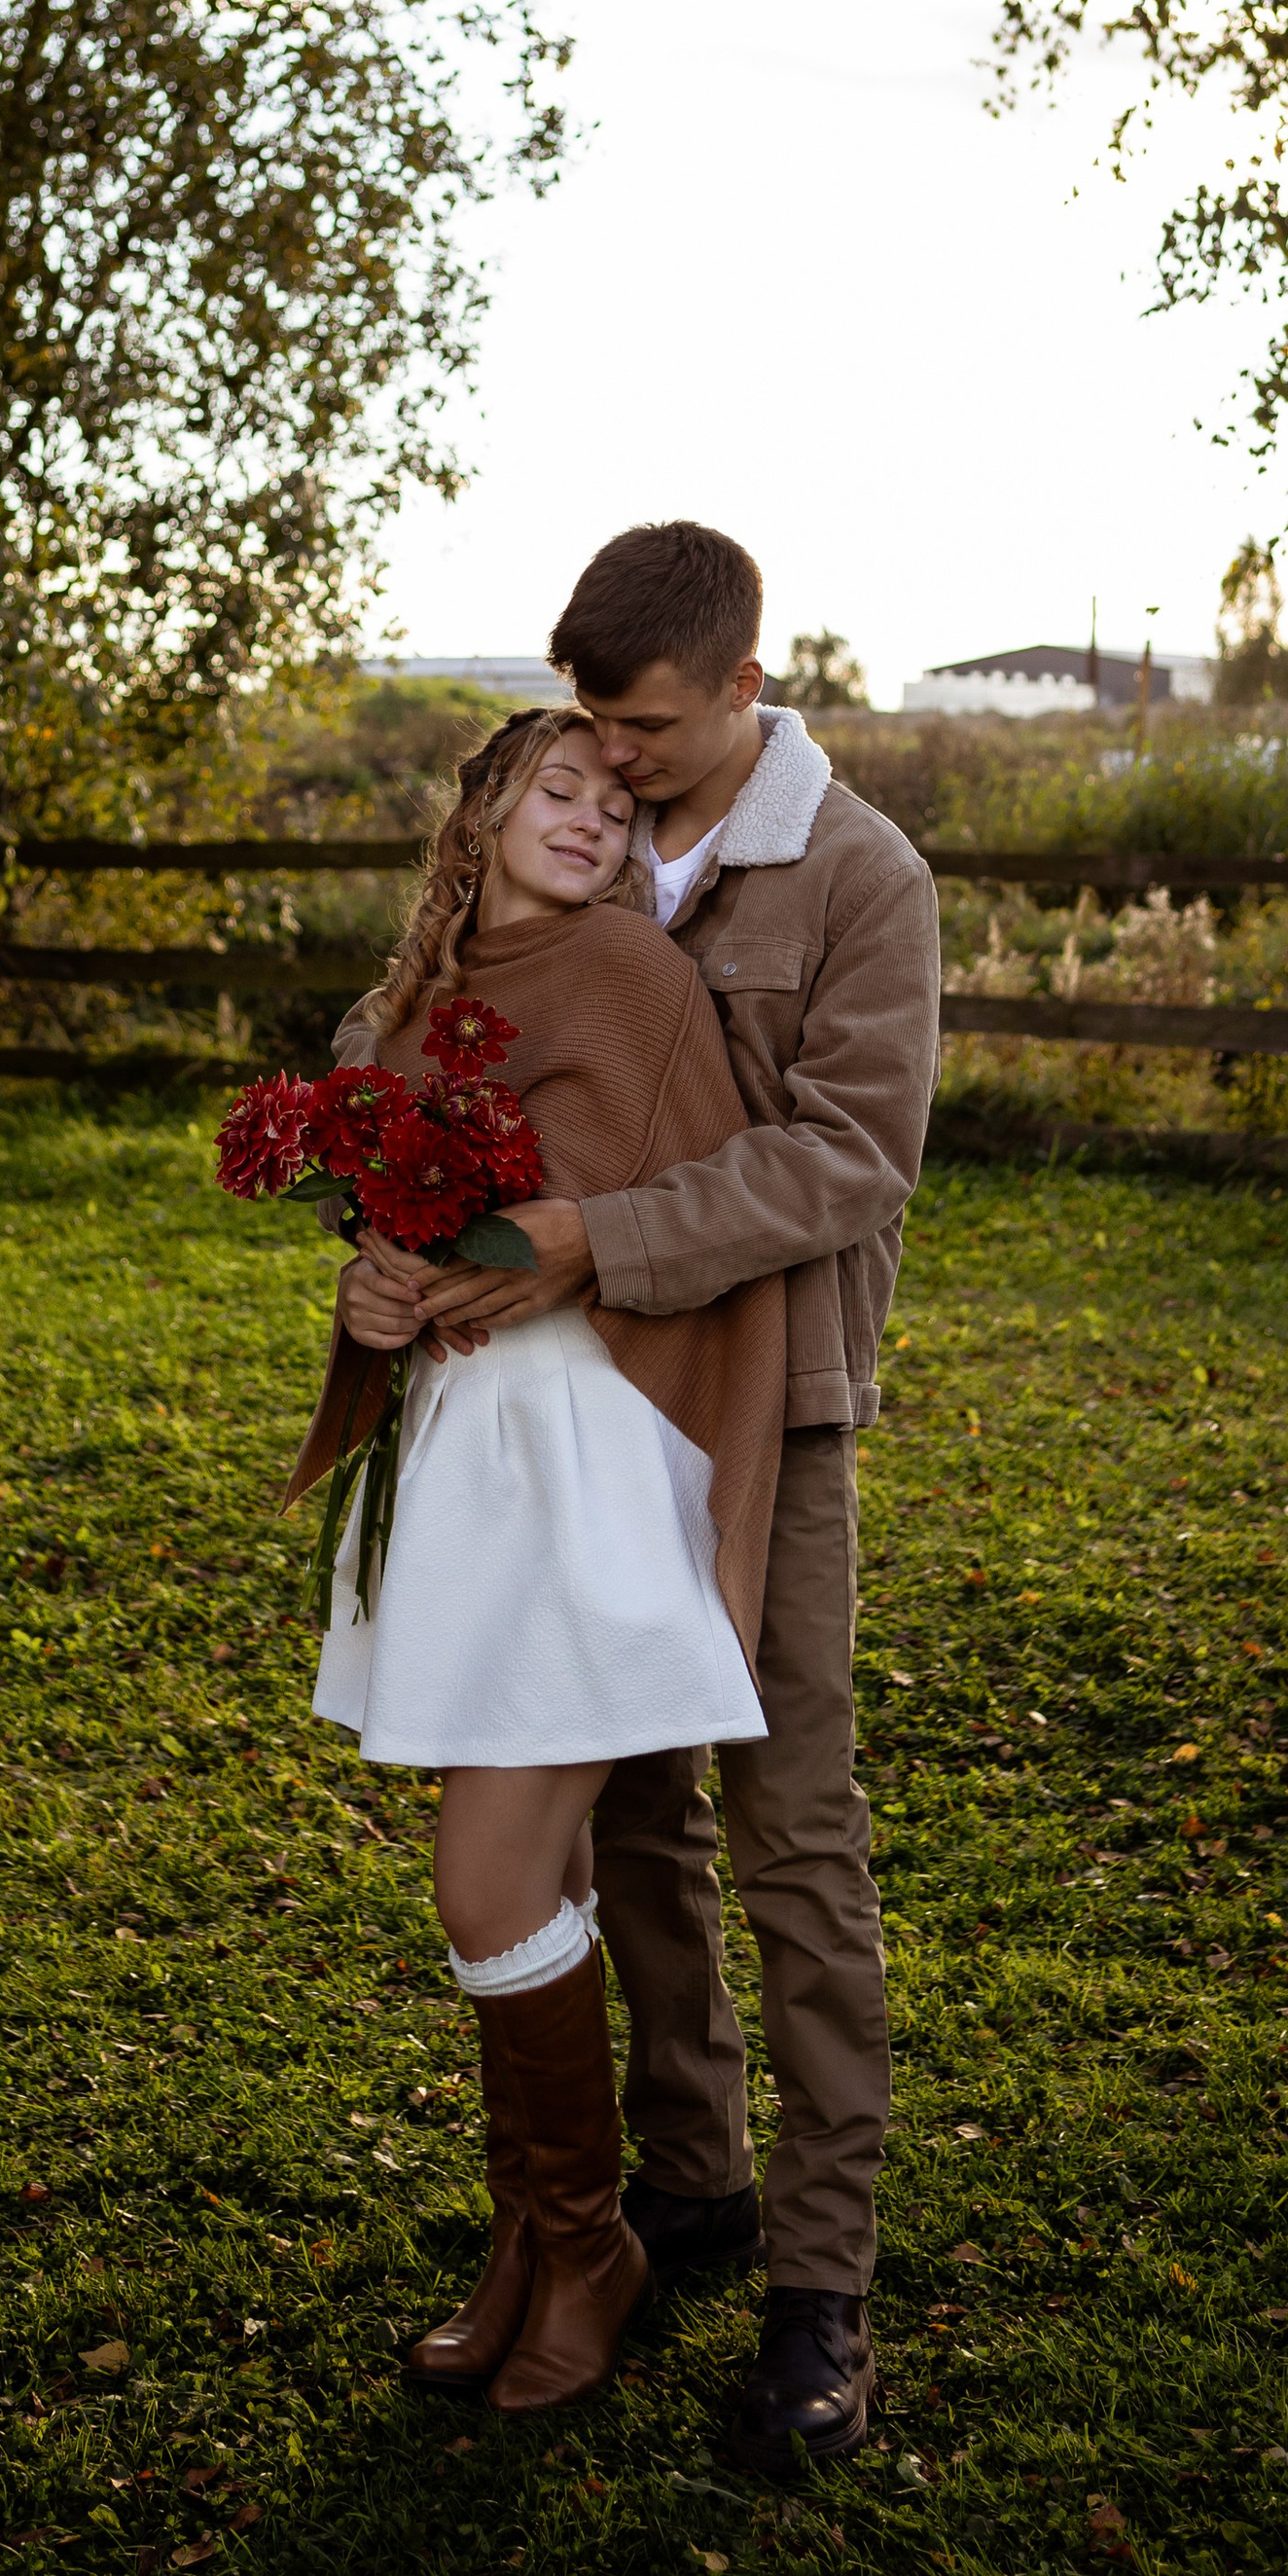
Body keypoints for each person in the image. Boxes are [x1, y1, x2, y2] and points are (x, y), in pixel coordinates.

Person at [341, 522, 938, 2468]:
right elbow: (462, 1054)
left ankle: (821, 2289)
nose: (615, 757)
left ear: (745, 684)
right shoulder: (585, 841)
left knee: (789, 1832)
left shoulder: (853, 878)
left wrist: (589, 1238)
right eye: (590, 726)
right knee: (631, 1823)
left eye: (650, 728)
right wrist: (395, 1247)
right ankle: (686, 2186)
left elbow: (846, 1159)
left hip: (773, 1410)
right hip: (568, 1425)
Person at [287, 706, 792, 2415]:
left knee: (485, 1887)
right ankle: (533, 2238)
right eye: (552, 791)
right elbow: (393, 1226)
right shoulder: (407, 1010)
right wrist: (376, 1284)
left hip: (587, 1458)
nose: (588, 819)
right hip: (466, 1458)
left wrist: (533, 1258)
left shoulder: (633, 978)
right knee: (542, 1880)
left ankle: (594, 2247)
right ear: (483, 814)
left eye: (610, 801)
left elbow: (698, 1213)